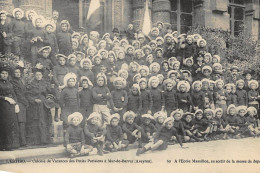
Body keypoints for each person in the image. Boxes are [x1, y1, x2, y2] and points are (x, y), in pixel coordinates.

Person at [0, 63, 20, 150]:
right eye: (3, 73)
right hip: (2, 106)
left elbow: (14, 94)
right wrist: (6, 98)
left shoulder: (9, 83)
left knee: (11, 125)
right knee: (3, 125)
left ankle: (10, 145)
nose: (5, 75)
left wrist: (16, 104)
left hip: (11, 106)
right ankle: (2, 145)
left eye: (6, 74)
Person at [10, 62, 29, 147]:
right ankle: (22, 142)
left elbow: (24, 92)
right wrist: (25, 101)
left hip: (23, 102)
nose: (18, 74)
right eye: (16, 72)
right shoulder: (13, 82)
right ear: (13, 74)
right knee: (20, 122)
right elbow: (17, 94)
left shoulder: (21, 81)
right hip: (18, 102)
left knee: (23, 122)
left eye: (19, 72)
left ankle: (23, 140)